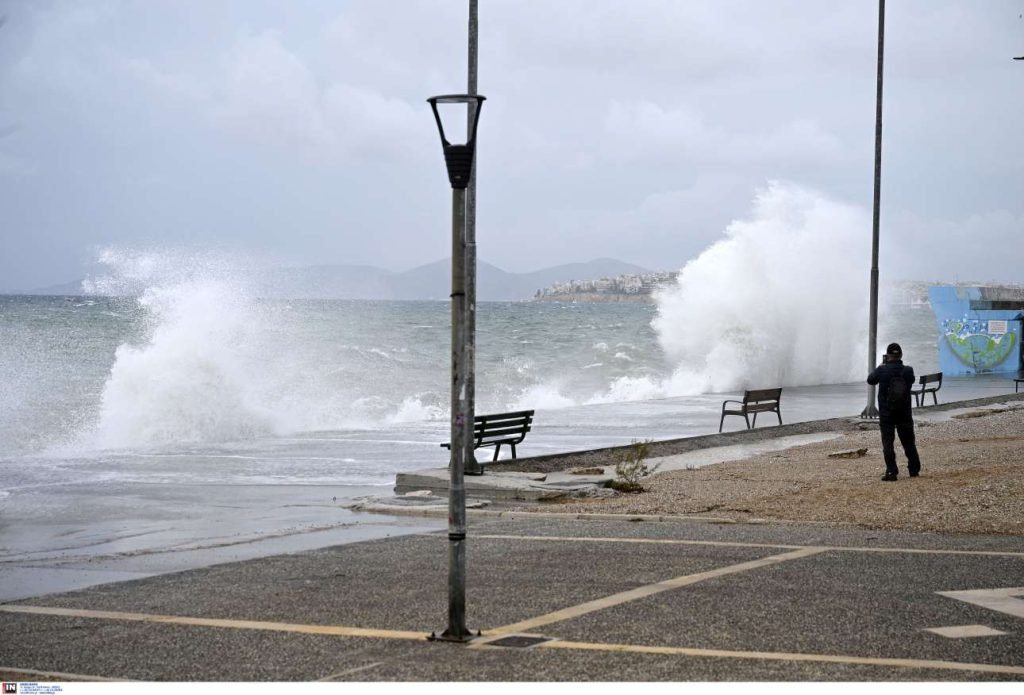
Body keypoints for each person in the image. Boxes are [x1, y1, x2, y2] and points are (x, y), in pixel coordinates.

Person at [867, 342, 922, 482]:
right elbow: (911, 380)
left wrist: (880, 366)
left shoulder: (882, 370)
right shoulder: (908, 370)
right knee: (909, 442)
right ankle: (914, 470)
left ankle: (892, 472)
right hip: (904, 412)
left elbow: (870, 380)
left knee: (888, 443)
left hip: (887, 413)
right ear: (901, 355)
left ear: (888, 355)